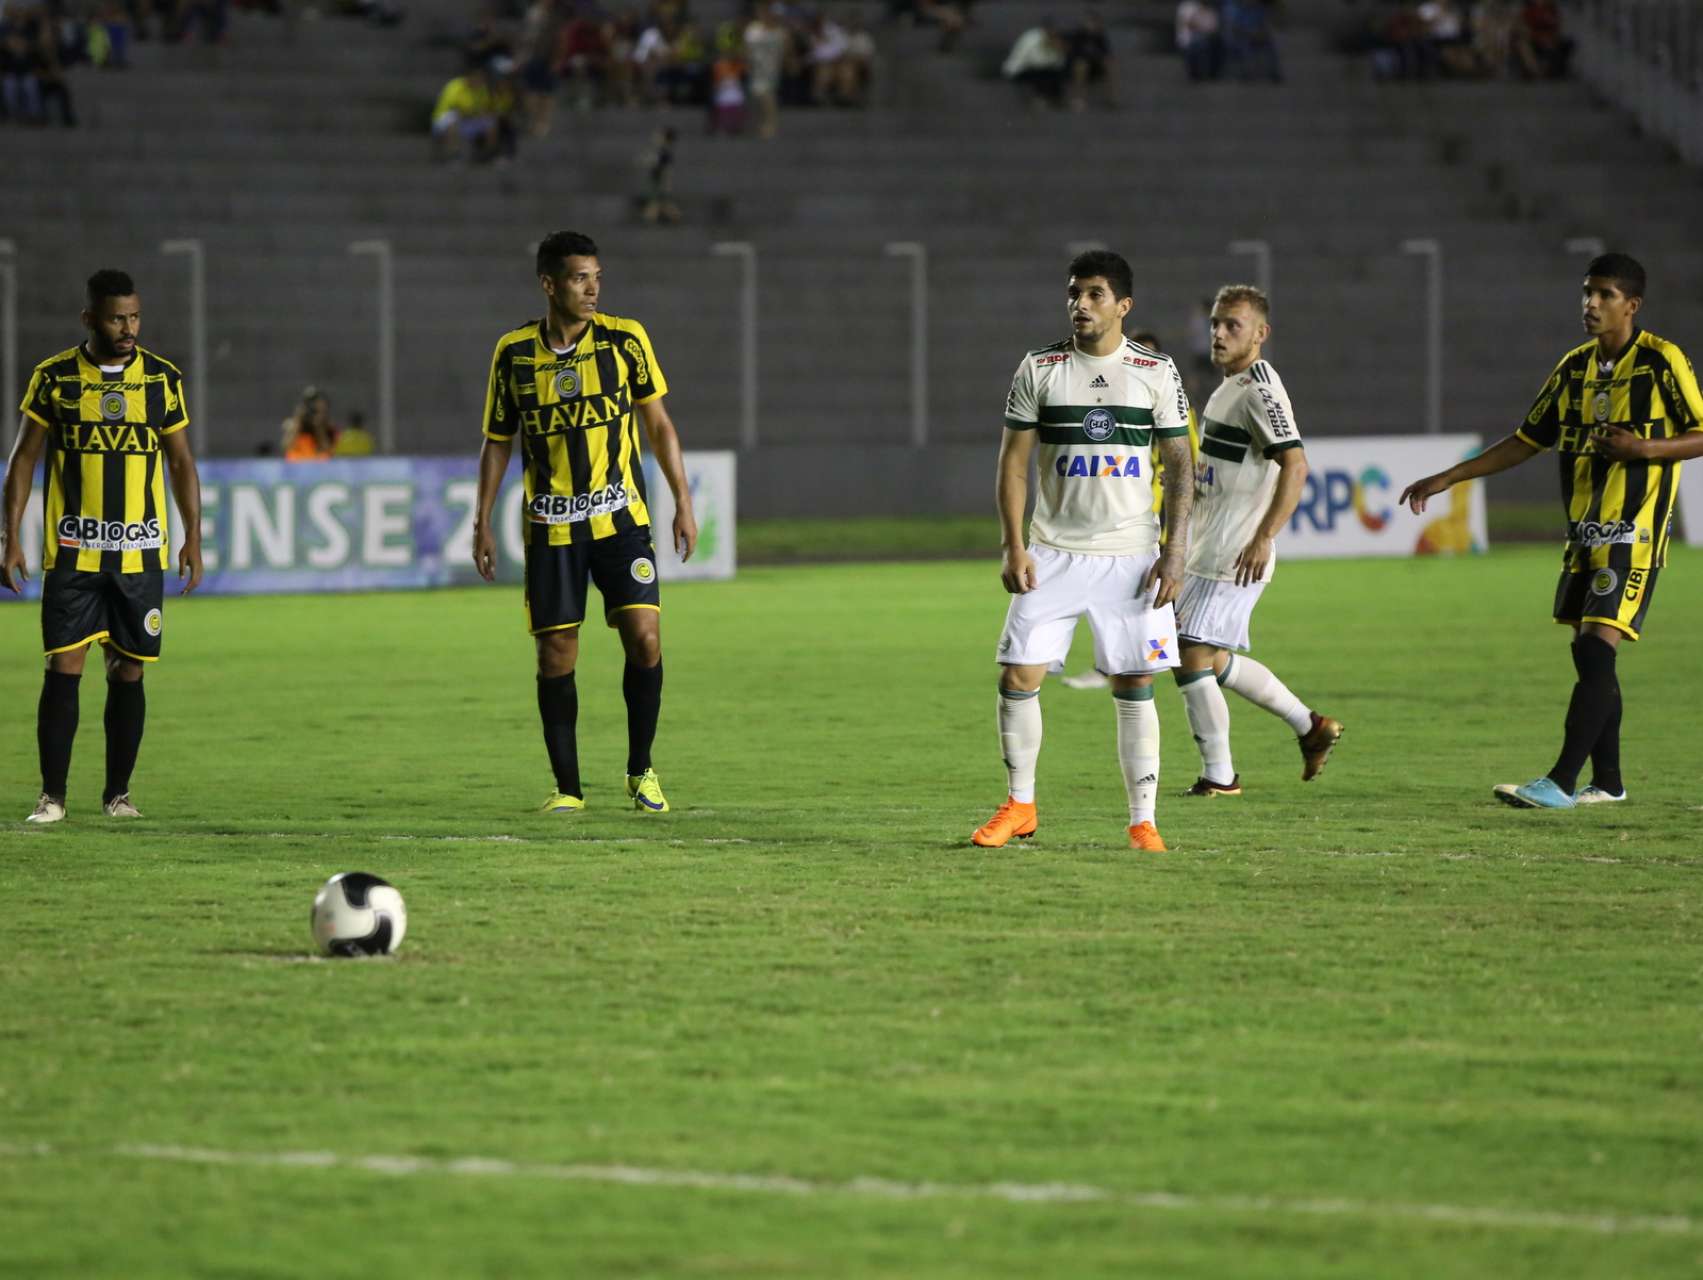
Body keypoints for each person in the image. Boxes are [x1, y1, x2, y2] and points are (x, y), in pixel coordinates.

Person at [1399, 253, 1703, 809]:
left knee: (1595, 651)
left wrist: (1644, 449)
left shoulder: (1662, 361)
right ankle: (1607, 782)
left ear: (1631, 305)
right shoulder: (1573, 368)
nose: (1591, 304)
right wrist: (1449, 477)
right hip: (1583, 537)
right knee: (1590, 657)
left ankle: (1561, 782)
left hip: (1632, 535)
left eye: (1605, 294)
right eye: (1587, 292)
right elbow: (1526, 439)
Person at [974, 250, 1195, 854]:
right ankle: (1020, 806)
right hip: (1053, 553)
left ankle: (1142, 820)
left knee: (1134, 682)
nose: (1080, 304)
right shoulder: (1040, 368)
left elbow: (1179, 464)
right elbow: (1013, 465)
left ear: (1123, 306)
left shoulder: (1155, 371)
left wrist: (1175, 553)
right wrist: (1013, 544)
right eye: (1074, 293)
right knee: (1018, 675)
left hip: (1132, 556)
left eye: (1095, 294)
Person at [473, 231, 698, 816]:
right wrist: (482, 522)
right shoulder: (514, 353)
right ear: (549, 284)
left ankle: (641, 770)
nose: (593, 287)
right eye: (580, 277)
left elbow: (660, 426)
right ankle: (568, 789)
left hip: (622, 521)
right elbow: (498, 443)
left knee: (645, 638)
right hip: (551, 530)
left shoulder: (626, 340)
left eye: (597, 275)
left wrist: (683, 499)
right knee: (556, 656)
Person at [0, 268, 204, 823]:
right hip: (73, 553)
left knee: (129, 671)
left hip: (140, 555)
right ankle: (52, 797)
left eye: (135, 316)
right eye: (117, 317)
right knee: (63, 669)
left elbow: (181, 461)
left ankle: (118, 795)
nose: (129, 326)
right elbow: (23, 458)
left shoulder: (162, 379)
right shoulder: (56, 378)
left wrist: (193, 537)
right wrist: (9, 537)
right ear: (90, 318)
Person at [1168, 285, 1342, 796]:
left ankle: (1219, 776)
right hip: (1210, 548)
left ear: (1260, 334)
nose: (1219, 334)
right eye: (1216, 324)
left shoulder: (1261, 391)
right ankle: (1311, 727)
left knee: (1189, 655)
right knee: (1212, 660)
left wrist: (1265, 537)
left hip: (1235, 553)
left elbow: (1297, 463)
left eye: (1233, 326)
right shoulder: (1230, 384)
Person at [282, 385, 338, 460]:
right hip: (297, 467)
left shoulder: (329, 428)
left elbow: (329, 452)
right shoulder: (294, 425)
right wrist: (297, 423)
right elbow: (287, 447)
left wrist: (319, 428)